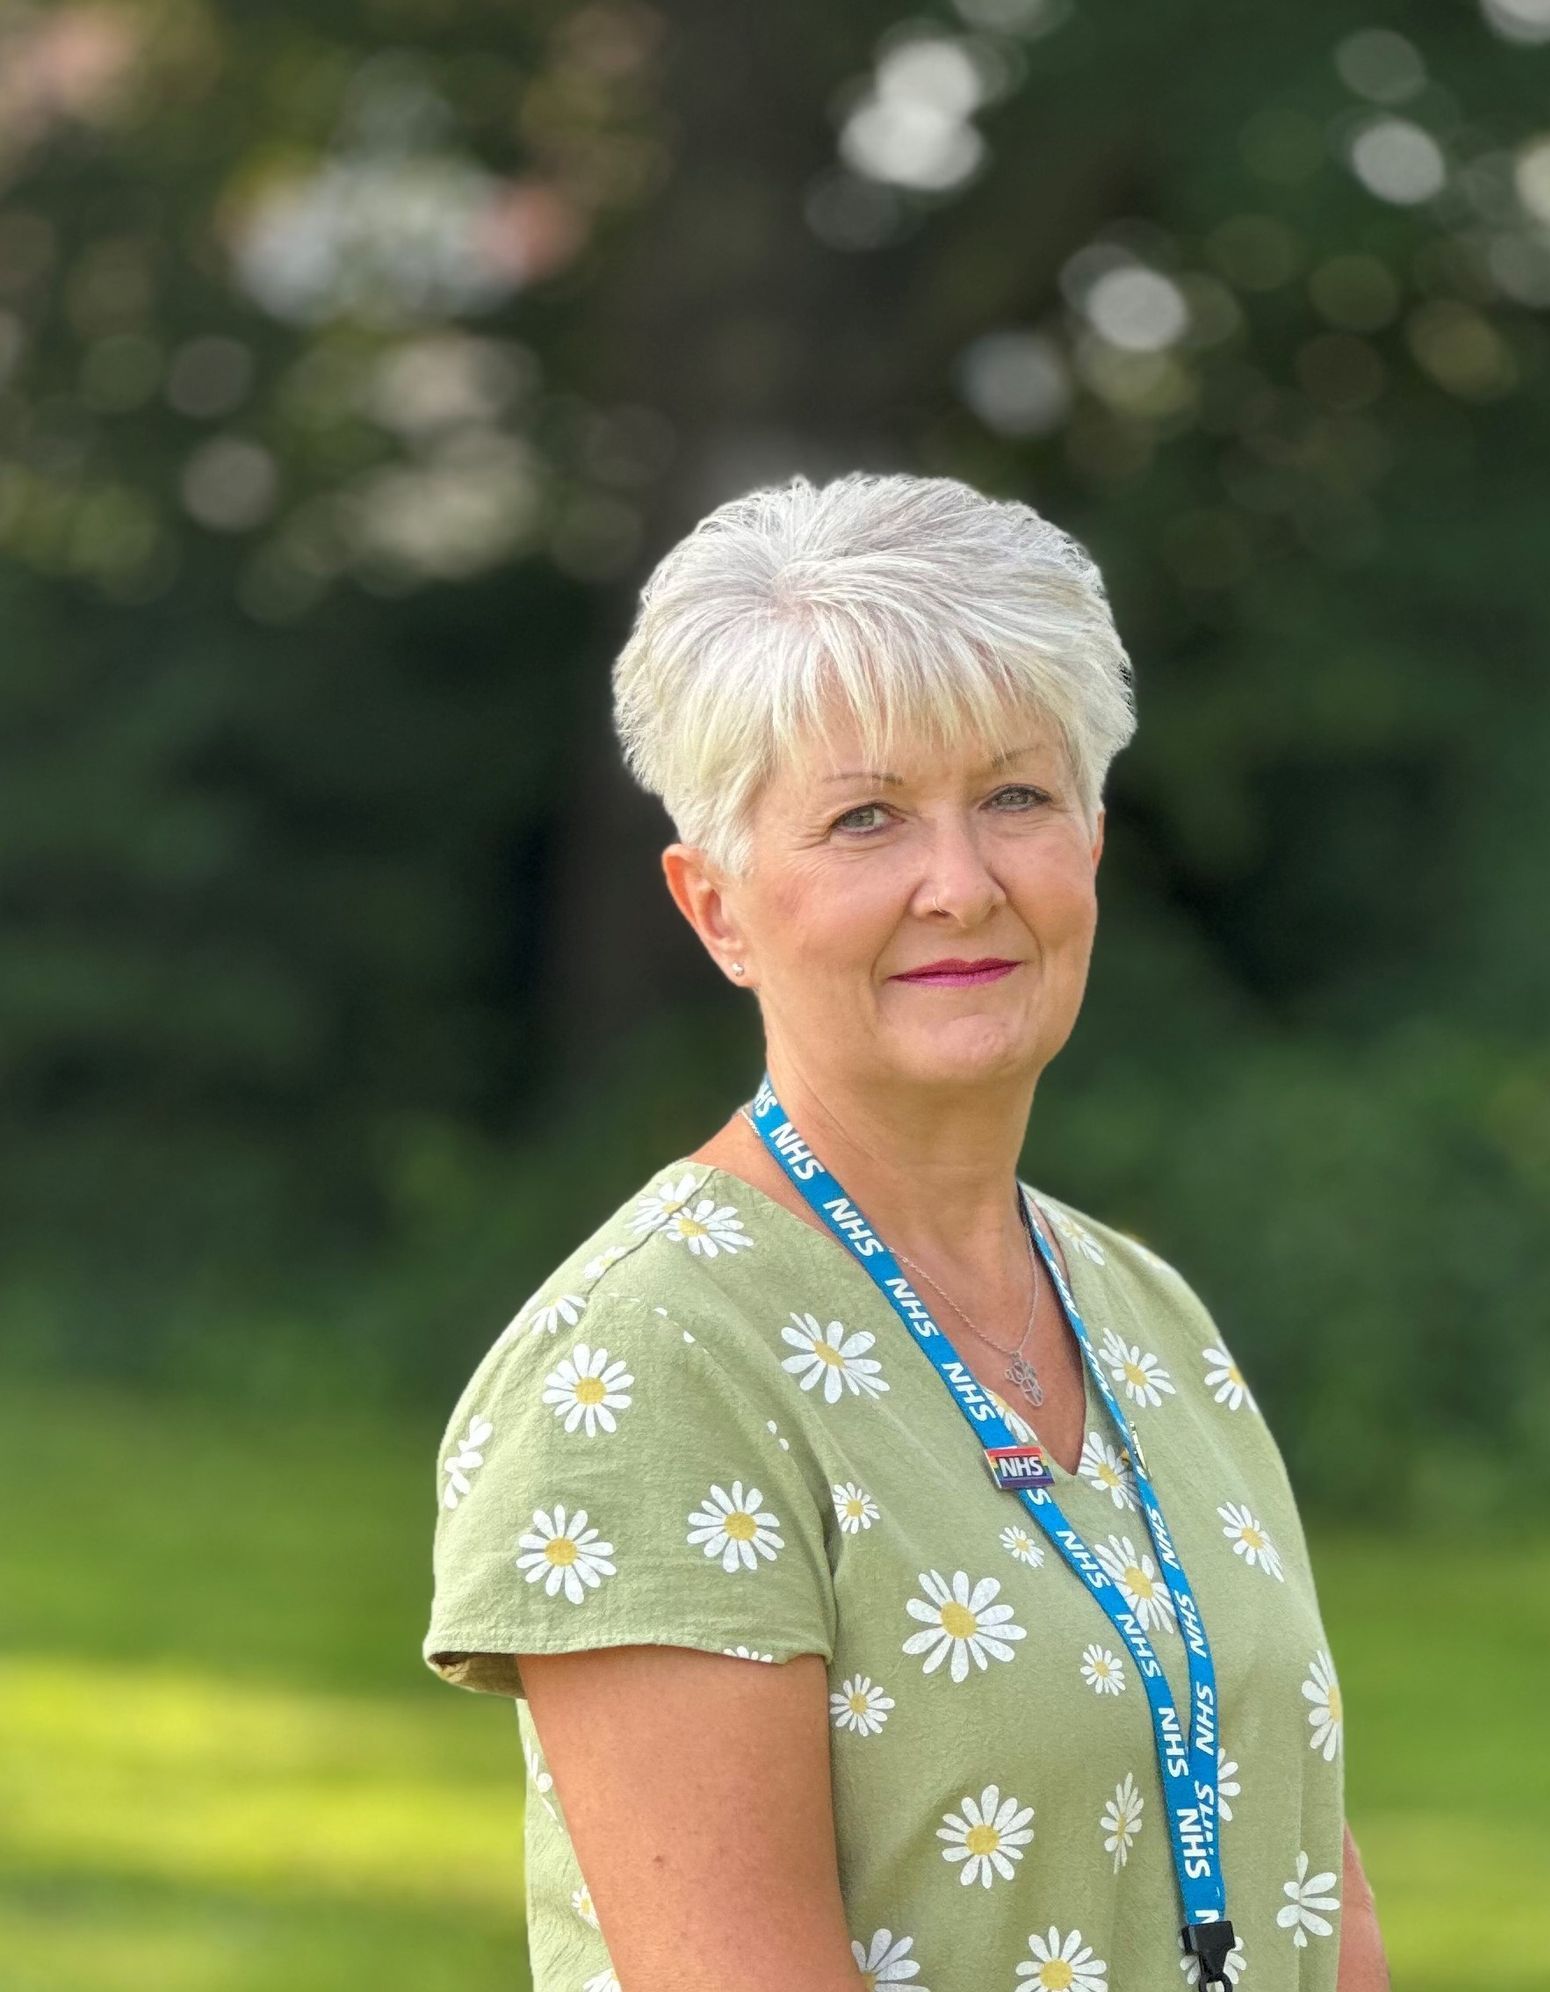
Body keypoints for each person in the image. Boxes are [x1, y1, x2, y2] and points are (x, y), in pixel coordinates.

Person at [422, 471, 1389, 1991]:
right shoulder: (653, 1371)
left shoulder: (1149, 1317)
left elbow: (1306, 1885)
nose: (961, 885)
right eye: (865, 818)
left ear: (1090, 841)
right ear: (717, 907)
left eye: (1016, 797)